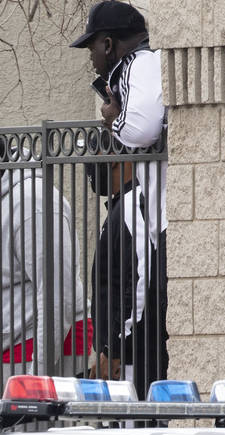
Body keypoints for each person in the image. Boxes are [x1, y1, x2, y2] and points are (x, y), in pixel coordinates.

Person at [0, 124, 85, 404]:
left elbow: (57, 293)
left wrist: (38, 376)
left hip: (34, 354)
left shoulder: (32, 201)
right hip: (13, 354)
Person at [71, 0, 168, 383]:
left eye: (92, 48)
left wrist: (114, 121)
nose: (92, 58)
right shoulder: (137, 67)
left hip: (167, 222)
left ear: (108, 44)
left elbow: (141, 128)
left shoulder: (136, 64)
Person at [85, 159, 165, 395]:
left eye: (97, 152)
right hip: (119, 359)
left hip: (132, 360)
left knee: (134, 429)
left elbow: (141, 281)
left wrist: (115, 349)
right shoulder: (122, 205)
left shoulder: (133, 205)